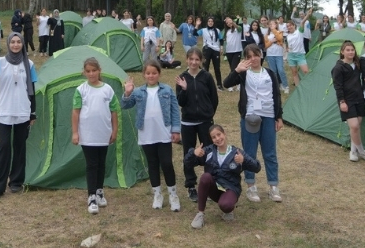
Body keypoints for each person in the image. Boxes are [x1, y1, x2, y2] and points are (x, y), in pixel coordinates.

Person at [0, 33, 38, 201]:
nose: (16, 45)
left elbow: (32, 91)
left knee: (20, 147)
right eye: (13, 42)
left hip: (23, 111)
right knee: (4, 147)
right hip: (5, 111)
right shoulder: (0, 62)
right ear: (8, 43)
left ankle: (16, 182)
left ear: (23, 44)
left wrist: (32, 113)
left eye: (19, 42)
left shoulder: (29, 64)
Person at [222, 44, 284, 202]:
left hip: (268, 116)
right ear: (245, 59)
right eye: (249, 57)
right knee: (249, 153)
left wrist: (279, 117)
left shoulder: (270, 73)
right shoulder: (244, 73)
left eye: (256, 55)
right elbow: (226, 84)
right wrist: (237, 70)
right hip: (250, 116)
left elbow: (276, 95)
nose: (253, 59)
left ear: (261, 55)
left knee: (270, 153)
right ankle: (251, 187)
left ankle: (273, 187)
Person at [121, 60, 181, 211]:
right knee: (152, 164)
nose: (151, 76)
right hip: (146, 134)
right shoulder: (138, 92)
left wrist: (176, 130)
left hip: (163, 133)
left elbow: (175, 111)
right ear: (144, 75)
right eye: (148, 73)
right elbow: (125, 105)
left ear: (159, 74)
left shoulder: (167, 90)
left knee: (167, 163)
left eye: (154, 73)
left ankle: (173, 195)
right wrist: (127, 93)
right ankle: (157, 194)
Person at [186, 125, 262, 228]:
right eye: (214, 137)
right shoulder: (208, 151)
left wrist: (244, 160)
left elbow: (257, 168)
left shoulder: (237, 152)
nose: (217, 138)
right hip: (214, 188)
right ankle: (200, 214)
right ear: (211, 140)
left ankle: (229, 208)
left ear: (224, 134)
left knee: (226, 205)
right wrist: (193, 153)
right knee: (205, 177)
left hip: (231, 188)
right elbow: (187, 164)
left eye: (219, 134)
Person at [70, 57, 120, 214]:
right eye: (88, 71)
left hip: (103, 133)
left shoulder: (108, 90)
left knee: (101, 163)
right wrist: (75, 132)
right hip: (88, 134)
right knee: (91, 164)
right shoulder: (81, 90)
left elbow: (114, 112)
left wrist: (114, 130)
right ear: (84, 72)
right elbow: (75, 112)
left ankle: (99, 191)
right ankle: (91, 196)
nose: (91, 74)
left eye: (94, 70)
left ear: (99, 71)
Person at [175, 47, 219, 202]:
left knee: (209, 152)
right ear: (187, 59)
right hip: (188, 122)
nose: (193, 62)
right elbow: (180, 102)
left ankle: (209, 184)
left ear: (201, 61)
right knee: (189, 153)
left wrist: (208, 114)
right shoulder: (182, 77)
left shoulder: (206, 76)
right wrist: (184, 89)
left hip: (205, 122)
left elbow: (214, 98)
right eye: (191, 59)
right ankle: (191, 186)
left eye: (197, 59)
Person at [332, 40, 365, 162]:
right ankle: (362, 152)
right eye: (348, 50)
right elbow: (338, 86)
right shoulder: (338, 68)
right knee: (354, 126)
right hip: (347, 100)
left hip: (359, 98)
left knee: (357, 126)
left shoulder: (357, 63)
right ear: (342, 52)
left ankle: (353, 151)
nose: (350, 52)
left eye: (352, 50)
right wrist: (341, 102)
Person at [194, 17, 223, 90]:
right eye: (209, 21)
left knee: (217, 68)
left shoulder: (217, 30)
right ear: (207, 22)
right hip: (207, 49)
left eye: (212, 21)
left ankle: (219, 85)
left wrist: (221, 48)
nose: (210, 22)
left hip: (216, 49)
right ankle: (204, 84)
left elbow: (221, 39)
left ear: (213, 22)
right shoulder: (203, 30)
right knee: (205, 67)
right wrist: (197, 25)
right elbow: (194, 33)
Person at [285, 11, 311, 90]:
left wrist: (307, 15)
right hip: (291, 56)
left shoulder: (299, 31)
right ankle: (298, 88)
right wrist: (287, 48)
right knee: (294, 73)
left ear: (294, 25)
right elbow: (288, 44)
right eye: (287, 26)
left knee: (306, 71)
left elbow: (302, 22)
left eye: (290, 25)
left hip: (300, 55)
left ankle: (309, 86)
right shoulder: (288, 36)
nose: (289, 27)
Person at [264, 19, 289, 94]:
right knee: (273, 71)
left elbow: (279, 38)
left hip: (279, 54)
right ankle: (276, 86)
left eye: (273, 24)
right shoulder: (267, 35)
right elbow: (266, 46)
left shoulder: (280, 32)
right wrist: (271, 41)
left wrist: (274, 30)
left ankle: (285, 86)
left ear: (276, 25)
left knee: (280, 70)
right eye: (270, 24)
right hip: (270, 54)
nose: (272, 25)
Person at [222, 17, 243, 91]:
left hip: (237, 51)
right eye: (227, 23)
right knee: (232, 68)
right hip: (229, 52)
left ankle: (232, 84)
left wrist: (232, 22)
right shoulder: (226, 31)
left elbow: (239, 28)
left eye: (230, 22)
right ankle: (236, 83)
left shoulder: (237, 29)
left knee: (234, 68)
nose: (229, 24)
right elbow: (224, 40)